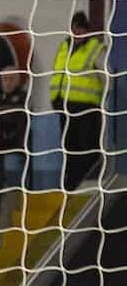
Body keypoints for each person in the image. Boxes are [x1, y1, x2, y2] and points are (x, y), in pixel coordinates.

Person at [50, 11, 106, 189]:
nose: (77, 32)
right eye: (75, 28)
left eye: (81, 29)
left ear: (87, 30)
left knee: (86, 147)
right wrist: (55, 99)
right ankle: (71, 185)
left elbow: (107, 76)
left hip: (86, 107)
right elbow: (57, 73)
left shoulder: (95, 48)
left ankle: (87, 183)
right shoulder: (64, 47)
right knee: (69, 148)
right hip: (64, 106)